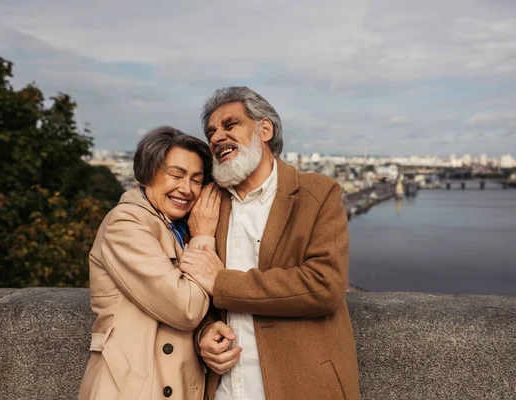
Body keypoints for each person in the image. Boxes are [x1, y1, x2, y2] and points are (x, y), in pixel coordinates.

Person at [179, 87, 360, 400]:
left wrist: (222, 282)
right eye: (211, 131)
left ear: (264, 129)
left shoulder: (317, 194)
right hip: (226, 389)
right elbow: (189, 288)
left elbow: (324, 285)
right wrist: (204, 332)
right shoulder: (207, 204)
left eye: (230, 125)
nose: (217, 137)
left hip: (302, 385)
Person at [78, 126, 221, 400]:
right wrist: (204, 237)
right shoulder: (125, 223)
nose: (186, 189)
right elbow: (186, 308)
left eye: (197, 180)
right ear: (147, 173)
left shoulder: (177, 227)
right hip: (132, 389)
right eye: (176, 175)